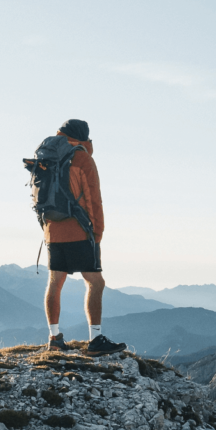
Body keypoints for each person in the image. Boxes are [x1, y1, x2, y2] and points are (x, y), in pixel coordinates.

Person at [43, 119, 127, 356]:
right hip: (80, 230)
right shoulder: (81, 158)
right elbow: (93, 200)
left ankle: (54, 338)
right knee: (95, 282)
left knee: (55, 282)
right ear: (84, 136)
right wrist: (97, 234)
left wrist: (48, 229)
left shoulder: (48, 156)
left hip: (52, 231)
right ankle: (96, 340)